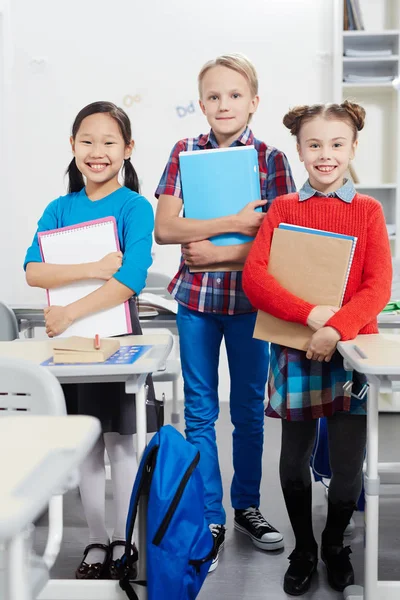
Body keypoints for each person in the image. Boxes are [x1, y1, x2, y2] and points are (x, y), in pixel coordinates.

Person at [242, 100, 392, 595]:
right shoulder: (284, 209)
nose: (325, 155)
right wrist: (310, 318)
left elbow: (378, 286)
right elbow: (256, 278)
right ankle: (303, 546)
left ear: (352, 148)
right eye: (314, 145)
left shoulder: (368, 211)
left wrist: (336, 329)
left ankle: (333, 544)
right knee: (293, 459)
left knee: (349, 464)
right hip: (294, 347)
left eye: (336, 144)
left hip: (351, 352)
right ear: (300, 150)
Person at [155, 53, 295, 572]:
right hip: (196, 302)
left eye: (235, 95)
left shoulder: (272, 160)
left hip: (250, 304)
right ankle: (210, 514)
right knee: (199, 409)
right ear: (201, 104)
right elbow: (166, 229)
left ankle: (247, 507)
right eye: (213, 96)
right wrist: (235, 222)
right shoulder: (183, 151)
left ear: (253, 102)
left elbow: (280, 237)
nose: (224, 104)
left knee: (248, 412)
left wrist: (215, 248)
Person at [24, 101, 155, 580]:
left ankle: (125, 540)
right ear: (73, 145)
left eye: (109, 142)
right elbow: (34, 269)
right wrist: (93, 268)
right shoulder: (58, 209)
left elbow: (132, 278)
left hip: (116, 341)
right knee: (87, 443)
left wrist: (71, 311)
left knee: (122, 443)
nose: (97, 152)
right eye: (87, 141)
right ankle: (97, 541)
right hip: (71, 343)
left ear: (127, 149)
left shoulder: (135, 207)